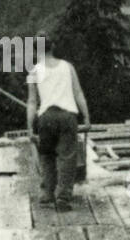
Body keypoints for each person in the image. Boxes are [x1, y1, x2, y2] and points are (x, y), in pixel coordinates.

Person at [26, 37, 91, 210]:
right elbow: (78, 93)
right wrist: (86, 118)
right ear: (53, 47)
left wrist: (30, 127)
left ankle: (47, 194)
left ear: (35, 50)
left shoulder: (34, 71)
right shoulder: (67, 67)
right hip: (67, 116)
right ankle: (63, 197)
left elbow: (32, 102)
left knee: (46, 156)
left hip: (46, 117)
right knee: (67, 157)